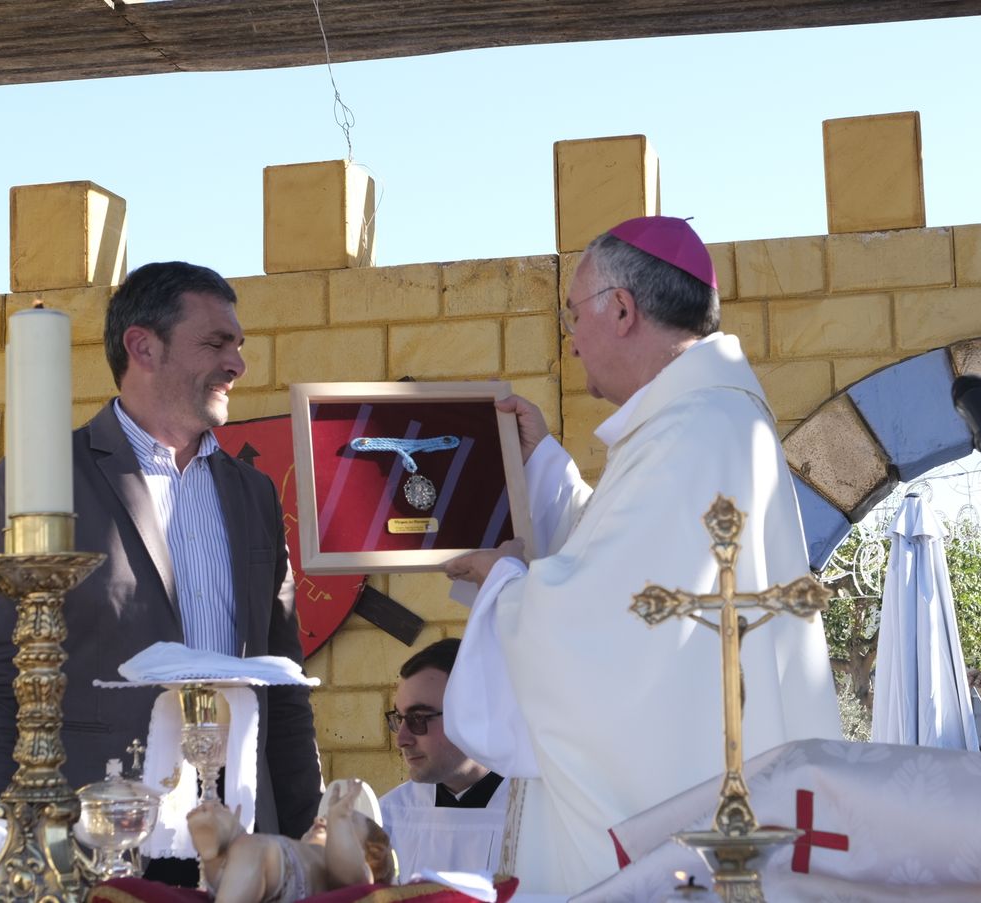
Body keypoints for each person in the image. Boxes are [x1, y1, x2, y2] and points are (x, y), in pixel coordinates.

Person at [441, 216, 841, 894]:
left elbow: (603, 623)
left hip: (672, 805)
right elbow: (621, 564)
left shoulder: (692, 430)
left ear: (622, 310)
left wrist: (505, 587)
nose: (572, 341)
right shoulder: (701, 421)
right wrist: (541, 467)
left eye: (574, 316)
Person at [0, 262, 324, 872]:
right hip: (94, 841)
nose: (237, 364)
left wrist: (309, 847)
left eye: (238, 345)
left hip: (242, 843)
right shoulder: (44, 481)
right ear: (143, 346)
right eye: (216, 343)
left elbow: (283, 689)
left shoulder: (254, 493)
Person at [378, 639, 508, 879]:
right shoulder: (387, 819)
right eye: (399, 718)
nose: (401, 740)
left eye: (419, 718)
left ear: (476, 715)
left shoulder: (542, 819)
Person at [188, 779, 392, 903]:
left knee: (251, 848)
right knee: (237, 851)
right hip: (259, 872)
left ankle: (221, 852)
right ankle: (216, 851)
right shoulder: (300, 848)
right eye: (328, 816)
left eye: (349, 820)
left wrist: (339, 819)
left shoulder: (358, 872)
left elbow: (351, 876)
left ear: (373, 854)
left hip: (287, 875)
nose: (324, 819)